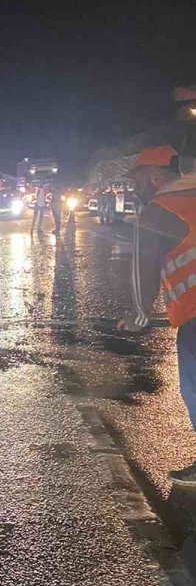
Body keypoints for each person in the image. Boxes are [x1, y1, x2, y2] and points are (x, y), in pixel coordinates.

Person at [118, 145, 196, 485]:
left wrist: (138, 314)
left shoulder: (158, 209)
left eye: (136, 178)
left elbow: (143, 269)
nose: (133, 186)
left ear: (154, 175)